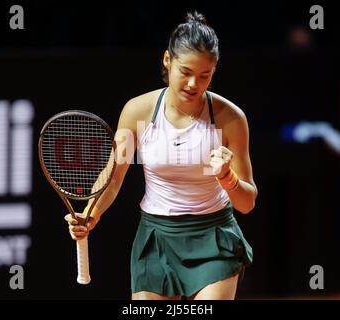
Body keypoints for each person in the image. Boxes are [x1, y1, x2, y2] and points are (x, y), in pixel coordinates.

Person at [65, 11, 257, 300]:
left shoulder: (230, 119)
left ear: (214, 70)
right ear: (168, 60)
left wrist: (227, 178)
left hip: (213, 237)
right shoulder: (138, 112)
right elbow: (114, 177)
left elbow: (247, 203)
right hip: (156, 238)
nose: (194, 84)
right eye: (186, 72)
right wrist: (91, 214)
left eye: (204, 76)